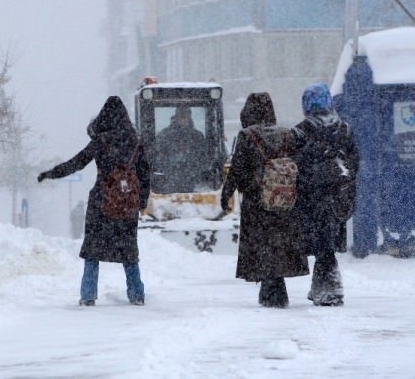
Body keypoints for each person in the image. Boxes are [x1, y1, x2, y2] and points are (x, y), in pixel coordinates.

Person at [38, 96, 151, 306]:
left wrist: (51, 173)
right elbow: (145, 174)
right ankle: (136, 294)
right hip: (127, 204)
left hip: (102, 202)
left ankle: (88, 295)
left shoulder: (101, 142)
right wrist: (141, 201)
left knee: (93, 250)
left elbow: (76, 163)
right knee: (129, 251)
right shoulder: (136, 143)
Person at [220, 93, 309, 308]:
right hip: (285, 199)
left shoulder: (247, 136)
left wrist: (227, 194)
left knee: (263, 244)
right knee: (279, 243)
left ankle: (269, 289)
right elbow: (299, 166)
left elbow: (237, 170)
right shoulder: (287, 134)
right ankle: (278, 286)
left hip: (257, 200)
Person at [292, 83, 359, 306]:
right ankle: (322, 286)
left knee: (321, 244)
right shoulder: (344, 129)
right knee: (328, 241)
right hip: (339, 196)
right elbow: (355, 162)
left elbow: (295, 165)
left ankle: (330, 289)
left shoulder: (301, 130)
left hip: (312, 196)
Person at [152, 106, 206, 193]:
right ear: (176, 117)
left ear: (189, 117)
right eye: (181, 116)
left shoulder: (197, 136)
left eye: (186, 116)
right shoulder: (164, 135)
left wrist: (194, 169)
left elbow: (203, 157)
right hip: (168, 179)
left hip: (193, 178)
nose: (184, 119)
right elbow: (157, 156)